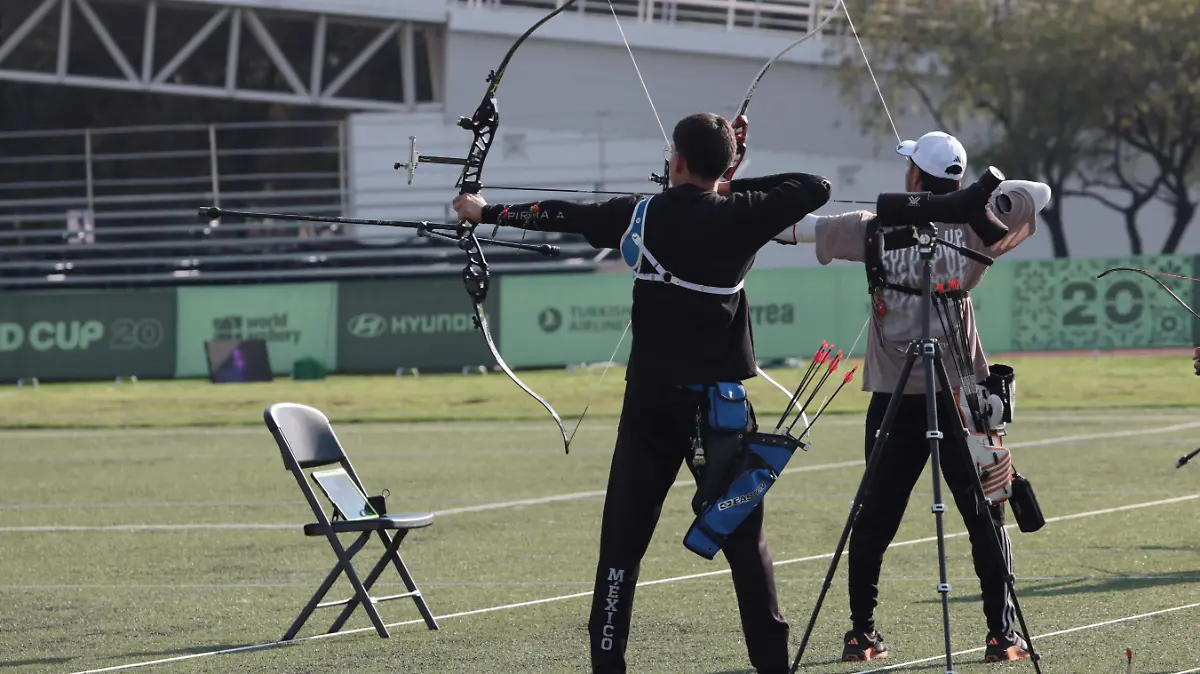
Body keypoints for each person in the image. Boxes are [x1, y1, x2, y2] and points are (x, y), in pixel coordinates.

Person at [453, 112, 835, 674]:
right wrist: (731, 180)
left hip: (651, 404)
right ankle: (773, 667)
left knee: (622, 546)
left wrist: (486, 213)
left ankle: (608, 665)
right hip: (719, 409)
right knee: (744, 542)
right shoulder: (745, 214)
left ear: (676, 161)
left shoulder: (641, 214)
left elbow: (560, 214)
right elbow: (812, 188)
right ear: (722, 164)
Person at [773, 131, 1052, 663]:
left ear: (915, 176)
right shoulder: (979, 225)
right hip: (961, 394)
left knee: (875, 516)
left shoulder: (874, 228)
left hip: (896, 398)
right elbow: (1036, 192)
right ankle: (1001, 636)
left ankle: (862, 634)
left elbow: (795, 230)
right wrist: (965, 201)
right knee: (982, 515)